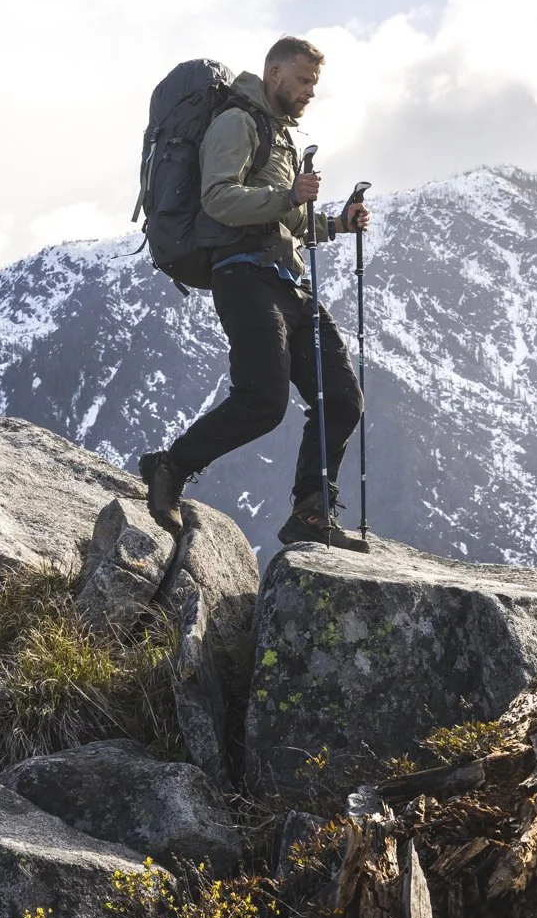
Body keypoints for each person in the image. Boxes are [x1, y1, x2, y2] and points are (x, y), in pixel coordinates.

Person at [142, 36, 372, 551]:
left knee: (341, 398)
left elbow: (287, 219)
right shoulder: (237, 123)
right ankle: (169, 466)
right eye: (304, 79)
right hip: (243, 275)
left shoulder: (280, 135)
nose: (311, 91)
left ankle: (311, 512)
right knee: (262, 401)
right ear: (274, 74)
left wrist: (337, 223)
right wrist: (288, 194)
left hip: (287, 280)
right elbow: (219, 198)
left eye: (315, 82)